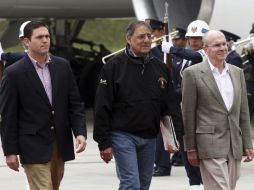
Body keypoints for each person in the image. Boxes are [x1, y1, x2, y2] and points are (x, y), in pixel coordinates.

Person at [93, 20, 183, 190]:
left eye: (149, 36)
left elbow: (170, 105)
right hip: (122, 135)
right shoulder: (113, 67)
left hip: (149, 137)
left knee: (143, 185)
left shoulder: (160, 68)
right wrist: (103, 142)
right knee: (131, 183)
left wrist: (177, 134)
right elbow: (102, 106)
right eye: (141, 36)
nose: (146, 40)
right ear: (129, 39)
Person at [0, 21, 87, 190]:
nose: (45, 40)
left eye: (47, 36)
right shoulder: (14, 73)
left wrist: (80, 132)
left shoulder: (62, 66)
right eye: (39, 37)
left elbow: (75, 103)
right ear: (26, 42)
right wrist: (10, 151)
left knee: (53, 187)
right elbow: (8, 115)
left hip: (60, 143)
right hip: (32, 145)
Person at [181, 30, 254, 190]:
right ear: (205, 49)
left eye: (224, 44)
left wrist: (248, 143)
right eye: (217, 45)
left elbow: (243, 111)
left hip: (234, 143)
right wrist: (190, 147)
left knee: (229, 186)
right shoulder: (192, 74)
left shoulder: (237, 73)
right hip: (208, 143)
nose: (222, 48)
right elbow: (188, 113)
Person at [162, 20, 209, 190]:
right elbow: (175, 80)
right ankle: (194, 183)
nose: (194, 41)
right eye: (191, 38)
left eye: (198, 38)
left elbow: (194, 57)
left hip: (200, 110)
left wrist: (172, 49)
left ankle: (204, 181)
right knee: (185, 146)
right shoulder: (180, 59)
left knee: (200, 148)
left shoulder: (206, 54)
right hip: (182, 110)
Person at [145, 18, 172, 177]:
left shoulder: (162, 49)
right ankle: (157, 163)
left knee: (163, 132)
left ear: (159, 31)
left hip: (162, 96)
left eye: (150, 32)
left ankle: (163, 165)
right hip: (148, 97)